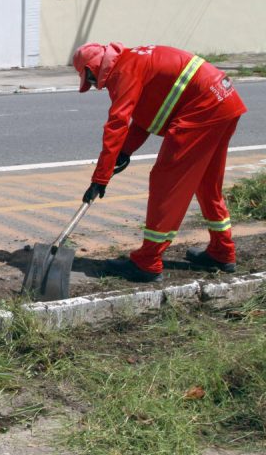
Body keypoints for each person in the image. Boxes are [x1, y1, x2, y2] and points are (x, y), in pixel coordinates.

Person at [73, 42, 246, 283]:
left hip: (203, 107)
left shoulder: (122, 72)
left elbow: (117, 123)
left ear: (93, 68)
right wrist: (124, 152)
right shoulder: (133, 60)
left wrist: (100, 178)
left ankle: (147, 262)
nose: (93, 86)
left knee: (167, 181)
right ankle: (222, 250)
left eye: (89, 80)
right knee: (206, 183)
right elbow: (149, 113)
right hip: (223, 101)